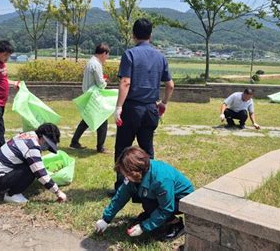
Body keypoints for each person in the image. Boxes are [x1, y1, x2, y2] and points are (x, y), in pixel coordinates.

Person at [112, 18, 174, 194]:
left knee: (123, 148)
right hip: (150, 109)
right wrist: (164, 103)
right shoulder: (160, 57)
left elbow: (125, 82)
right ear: (151, 35)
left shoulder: (129, 54)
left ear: (133, 35)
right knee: (147, 149)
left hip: (132, 109)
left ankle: (121, 188)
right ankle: (148, 186)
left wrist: (118, 108)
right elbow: (170, 85)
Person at [95, 146, 194, 241]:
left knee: (150, 205)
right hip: (162, 196)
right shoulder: (137, 174)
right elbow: (121, 195)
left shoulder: (161, 180)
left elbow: (166, 208)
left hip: (181, 200)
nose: (124, 176)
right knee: (146, 201)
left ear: (135, 172)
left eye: (126, 174)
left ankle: (176, 224)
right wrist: (106, 219)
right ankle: (151, 215)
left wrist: (143, 227)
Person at [0, 123, 67, 204]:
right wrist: (58, 192)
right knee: (33, 168)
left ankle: (7, 187)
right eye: (47, 144)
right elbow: (40, 173)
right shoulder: (32, 146)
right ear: (41, 137)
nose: (46, 147)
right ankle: (12, 195)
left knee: (32, 164)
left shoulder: (26, 135)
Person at [69, 43, 110, 153]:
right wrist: (105, 82)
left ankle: (74, 141)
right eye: (107, 55)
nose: (107, 58)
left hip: (88, 94)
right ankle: (100, 147)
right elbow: (100, 83)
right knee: (102, 119)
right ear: (103, 53)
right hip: (94, 96)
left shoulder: (90, 62)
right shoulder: (96, 64)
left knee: (86, 120)